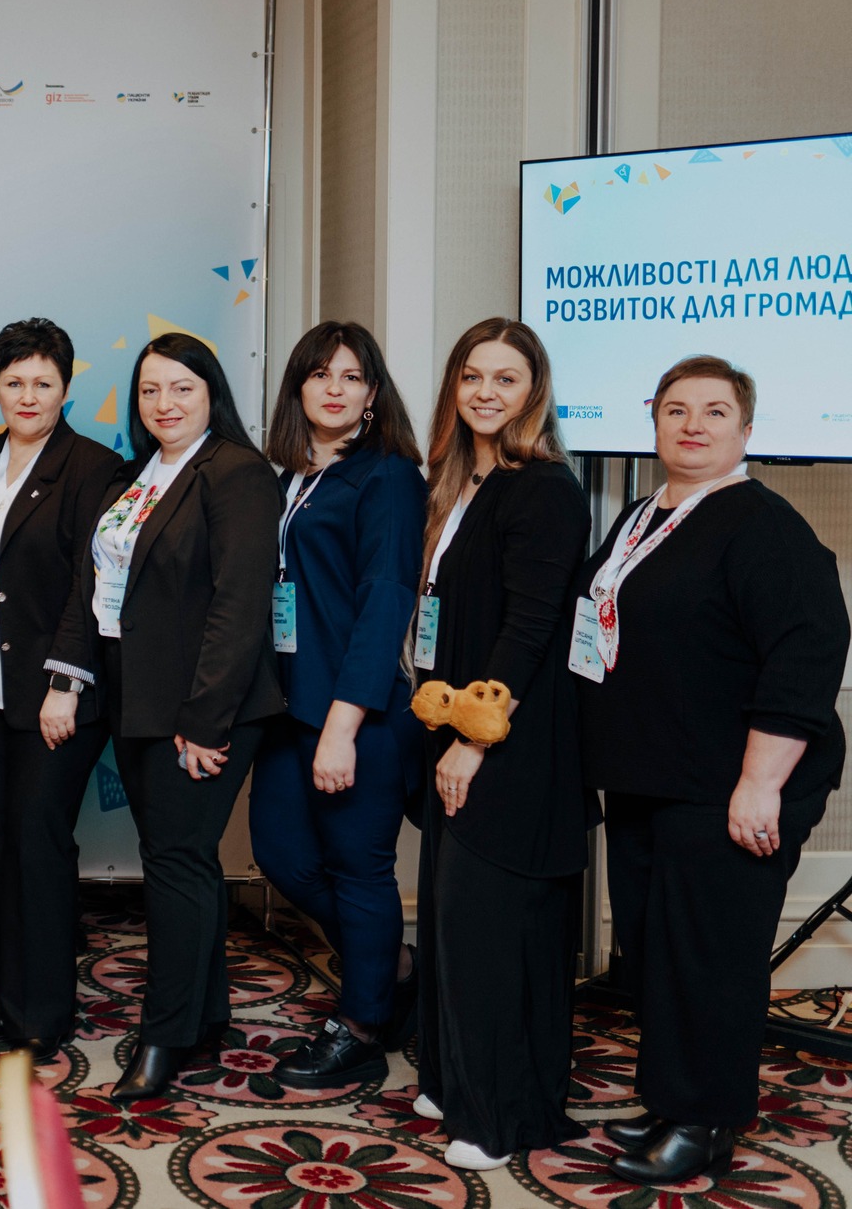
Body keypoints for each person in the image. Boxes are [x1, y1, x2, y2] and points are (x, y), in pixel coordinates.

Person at [574, 357, 849, 1185]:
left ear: (747, 429)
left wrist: (760, 783)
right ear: (654, 419)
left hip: (729, 783)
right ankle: (671, 1099)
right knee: (657, 951)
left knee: (710, 957)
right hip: (650, 775)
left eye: (715, 411)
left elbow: (806, 654)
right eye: (676, 408)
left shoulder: (763, 525)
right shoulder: (641, 516)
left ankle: (707, 1118)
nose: (693, 424)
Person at [42, 331, 283, 1102]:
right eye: (150, 389)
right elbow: (93, 586)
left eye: (182, 387)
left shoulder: (237, 472)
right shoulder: (138, 475)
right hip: (135, 698)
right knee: (183, 859)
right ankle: (204, 1015)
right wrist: (71, 679)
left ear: (212, 392)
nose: (164, 403)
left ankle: (165, 1035)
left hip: (203, 705)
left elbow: (239, 607)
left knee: (175, 861)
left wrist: (206, 720)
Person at [407, 317, 590, 1170]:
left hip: (508, 743)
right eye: (472, 375)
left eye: (506, 378)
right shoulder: (457, 482)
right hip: (452, 728)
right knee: (451, 919)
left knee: (491, 931)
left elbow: (530, 626)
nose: (486, 392)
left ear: (534, 391)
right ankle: (454, 1079)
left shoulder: (543, 489)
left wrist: (476, 739)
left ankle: (502, 1114)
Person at [249, 322, 427, 1088]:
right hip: (290, 704)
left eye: (353, 376)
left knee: (358, 869)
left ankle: (361, 1025)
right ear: (298, 386)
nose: (335, 388)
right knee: (282, 853)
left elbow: (385, 602)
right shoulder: (289, 477)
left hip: (357, 714)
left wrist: (343, 725)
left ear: (372, 394)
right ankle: (394, 967)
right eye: (321, 373)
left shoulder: (388, 477)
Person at [0, 319, 119, 1057]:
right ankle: (7, 1000)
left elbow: (93, 583)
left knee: (39, 843)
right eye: (14, 381)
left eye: (43, 382)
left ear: (65, 389)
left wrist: (66, 681)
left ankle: (44, 1011)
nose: (28, 395)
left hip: (54, 691)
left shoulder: (95, 468)